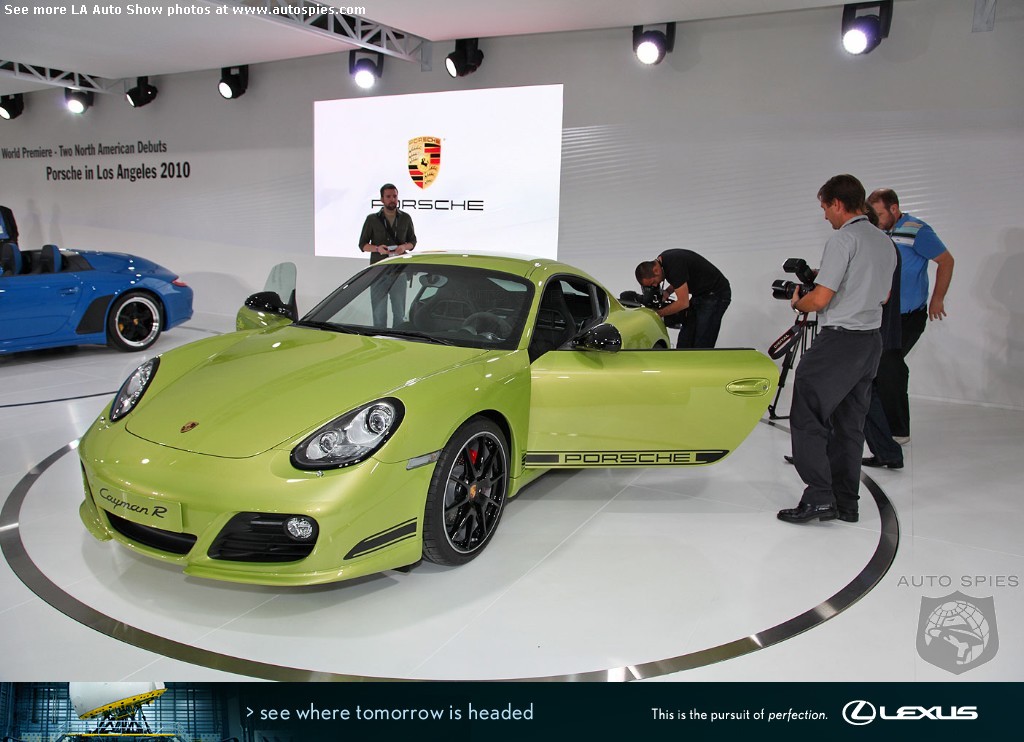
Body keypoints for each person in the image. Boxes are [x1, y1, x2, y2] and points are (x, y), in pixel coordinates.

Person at [778, 174, 896, 525]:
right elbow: (884, 296)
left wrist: (798, 302)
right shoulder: (884, 241)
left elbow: (820, 300)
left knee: (807, 415)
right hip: (869, 341)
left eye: (825, 207)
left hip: (840, 341)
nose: (825, 215)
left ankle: (818, 497)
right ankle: (846, 503)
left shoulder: (844, 239)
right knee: (849, 425)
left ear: (838, 204)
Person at [867, 188, 954, 444]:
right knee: (874, 368)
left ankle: (898, 431)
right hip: (882, 315)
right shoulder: (877, 231)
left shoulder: (917, 230)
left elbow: (946, 261)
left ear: (894, 209)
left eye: (879, 214)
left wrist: (937, 298)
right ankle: (878, 430)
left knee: (889, 364)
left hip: (908, 317)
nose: (876, 219)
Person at [634, 249, 731, 348]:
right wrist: (667, 292)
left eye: (653, 282)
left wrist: (659, 313)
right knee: (685, 339)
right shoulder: (664, 261)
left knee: (702, 341)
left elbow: (683, 303)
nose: (655, 285)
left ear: (656, 270)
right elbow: (680, 278)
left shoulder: (673, 264)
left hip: (716, 294)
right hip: (700, 294)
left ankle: (701, 357)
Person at [358, 183, 417, 327]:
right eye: (388, 196)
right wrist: (378, 249)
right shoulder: (372, 219)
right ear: (382, 199)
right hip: (379, 272)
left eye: (395, 196)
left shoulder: (405, 218)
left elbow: (413, 241)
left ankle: (397, 340)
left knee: (399, 314)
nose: (392, 199)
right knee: (379, 315)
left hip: (399, 272)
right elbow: (363, 245)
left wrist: (403, 247)